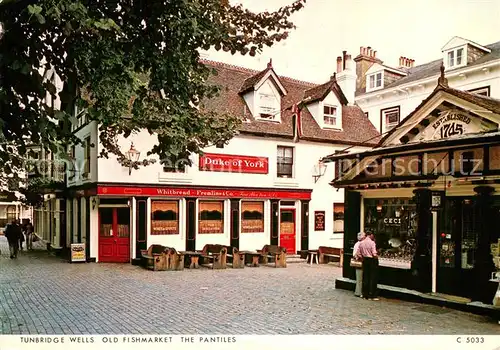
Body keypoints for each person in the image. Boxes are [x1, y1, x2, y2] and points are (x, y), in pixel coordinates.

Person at [358, 231, 379, 300]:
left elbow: (358, 254)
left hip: (365, 260)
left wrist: (362, 257)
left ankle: (365, 294)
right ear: (370, 235)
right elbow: (374, 253)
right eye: (372, 235)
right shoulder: (372, 243)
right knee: (372, 278)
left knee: (365, 277)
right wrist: (376, 257)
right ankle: (372, 295)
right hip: (372, 260)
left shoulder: (361, 243)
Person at [353, 231, 366, 297]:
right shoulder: (359, 244)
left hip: (361, 262)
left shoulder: (357, 244)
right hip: (360, 262)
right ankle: (358, 292)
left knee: (360, 278)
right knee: (360, 278)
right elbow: (355, 254)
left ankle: (359, 292)